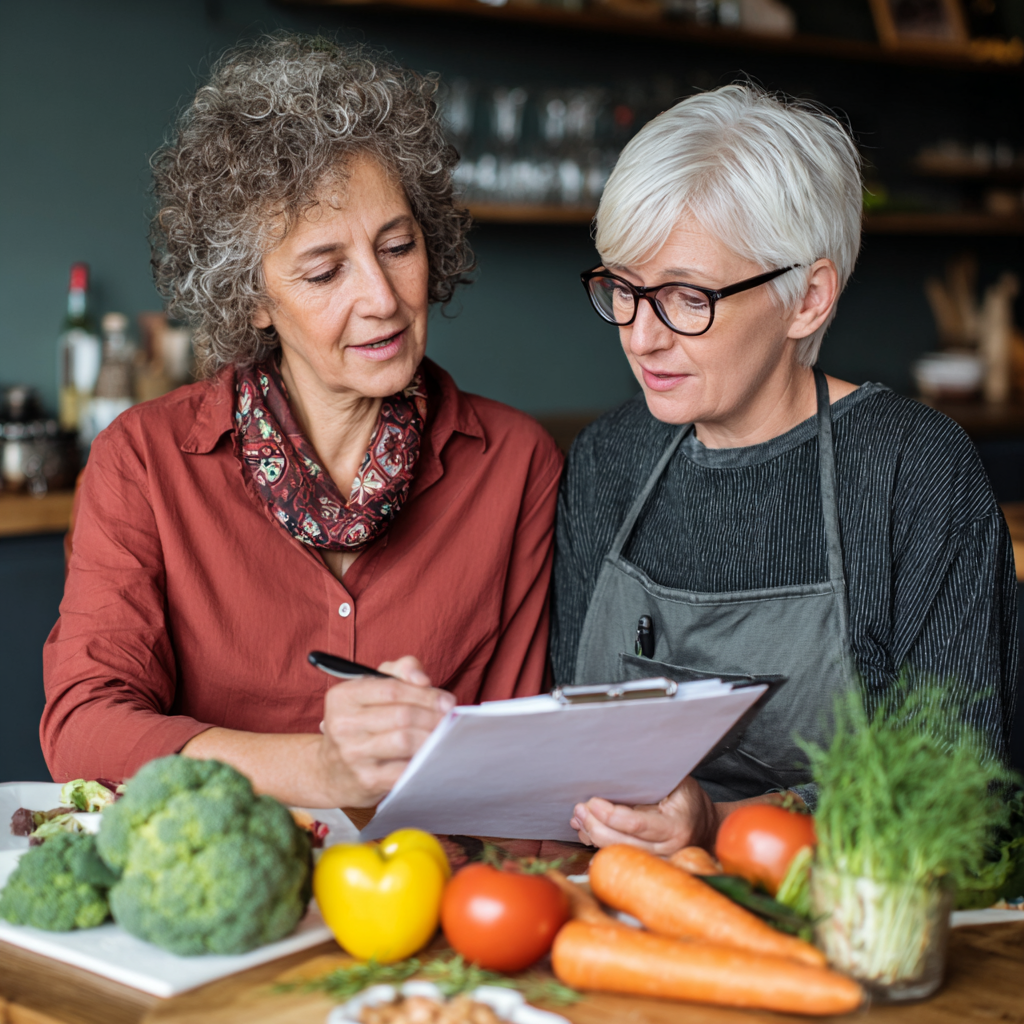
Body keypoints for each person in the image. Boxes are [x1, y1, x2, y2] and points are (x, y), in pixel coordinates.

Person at [42, 36, 562, 809]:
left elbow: (524, 769)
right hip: (224, 908)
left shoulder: (516, 464)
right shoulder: (145, 461)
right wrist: (317, 772)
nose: (383, 297)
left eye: (398, 246)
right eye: (325, 272)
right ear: (251, 299)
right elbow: (85, 728)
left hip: (433, 901)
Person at [552, 84, 1018, 853]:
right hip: (631, 910)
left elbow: (960, 796)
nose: (640, 337)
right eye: (624, 291)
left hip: (848, 924)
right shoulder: (611, 461)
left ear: (806, 299)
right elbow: (568, 742)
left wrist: (718, 822)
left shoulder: (915, 473)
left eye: (685, 298)